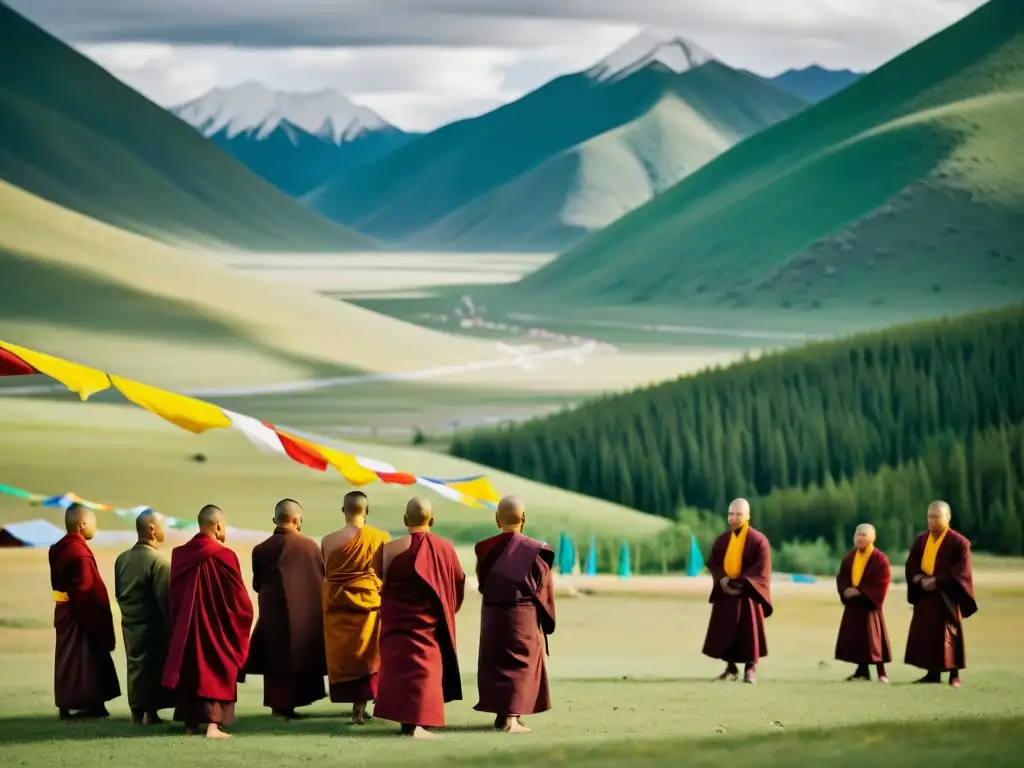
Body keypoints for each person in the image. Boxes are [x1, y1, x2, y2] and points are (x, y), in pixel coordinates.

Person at [374, 497, 466, 738]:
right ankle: (417, 725)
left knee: (399, 668)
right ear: (432, 520)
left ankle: (409, 723)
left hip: (398, 622)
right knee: (425, 668)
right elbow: (457, 582)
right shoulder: (446, 548)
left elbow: (379, 578)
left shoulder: (390, 549)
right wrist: (448, 608)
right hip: (428, 623)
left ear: (405, 520)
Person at [162, 505, 254, 738]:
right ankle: (213, 726)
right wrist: (244, 616)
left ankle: (190, 725)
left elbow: (175, 596)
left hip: (188, 629)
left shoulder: (180, 554)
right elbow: (238, 600)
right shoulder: (225, 555)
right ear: (218, 526)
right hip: (217, 627)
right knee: (216, 667)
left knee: (192, 669)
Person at [474, 496, 556, 733]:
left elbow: (483, 582)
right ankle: (511, 720)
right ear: (524, 519)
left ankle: (503, 717)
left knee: (497, 663)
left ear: (497, 519)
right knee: (520, 665)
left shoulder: (484, 547)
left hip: (492, 614)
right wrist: (545, 617)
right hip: (523, 616)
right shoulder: (536, 550)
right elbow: (543, 589)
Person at [244, 499, 327, 719]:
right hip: (305, 615)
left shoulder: (260, 549)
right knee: (301, 654)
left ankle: (278, 707)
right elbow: (321, 580)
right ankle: (294, 703)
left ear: (275, 520)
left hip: (273, 615)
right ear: (297, 519)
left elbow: (257, 584)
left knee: (275, 658)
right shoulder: (310, 546)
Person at [321, 491, 391, 725]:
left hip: (338, 605)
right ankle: (362, 707)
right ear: (367, 512)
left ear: (343, 510)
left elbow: (328, 573)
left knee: (345, 655)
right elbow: (386, 573)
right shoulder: (381, 537)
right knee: (368, 655)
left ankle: (356, 706)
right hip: (369, 605)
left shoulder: (328, 540)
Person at [48, 503, 121, 720]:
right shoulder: (79, 553)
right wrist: (99, 617)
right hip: (78, 611)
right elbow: (87, 589)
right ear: (82, 525)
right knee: (81, 657)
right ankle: (75, 705)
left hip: (63, 608)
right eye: (93, 524)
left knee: (71, 657)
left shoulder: (59, 548)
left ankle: (82, 704)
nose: (94, 529)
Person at [905, 500, 978, 688]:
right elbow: (911, 564)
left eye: (937, 516)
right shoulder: (921, 540)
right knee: (927, 634)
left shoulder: (959, 542)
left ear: (948, 517)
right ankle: (932, 673)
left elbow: (961, 571)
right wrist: (919, 579)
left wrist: (937, 580)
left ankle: (954, 675)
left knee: (949, 634)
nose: (932, 521)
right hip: (926, 595)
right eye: (929, 516)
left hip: (947, 596)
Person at [702, 498, 772, 684]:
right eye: (730, 513)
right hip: (726, 594)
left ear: (748, 516)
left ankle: (750, 669)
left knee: (749, 634)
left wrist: (740, 583)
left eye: (738, 514)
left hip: (748, 594)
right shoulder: (723, 539)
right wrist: (723, 579)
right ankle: (730, 668)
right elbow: (713, 562)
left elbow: (761, 567)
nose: (733, 517)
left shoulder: (758, 540)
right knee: (727, 631)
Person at [114, 509, 174, 724]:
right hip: (153, 627)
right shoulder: (159, 562)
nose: (163, 530)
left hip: (129, 623)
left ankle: (136, 711)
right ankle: (150, 712)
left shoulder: (122, 559)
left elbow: (119, 593)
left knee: (135, 665)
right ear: (151, 529)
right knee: (153, 666)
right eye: (161, 525)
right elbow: (165, 600)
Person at [834, 523, 892, 683]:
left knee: (875, 640)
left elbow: (882, 580)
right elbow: (842, 578)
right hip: (854, 605)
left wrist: (860, 591)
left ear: (873, 538)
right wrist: (845, 590)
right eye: (857, 534)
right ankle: (862, 671)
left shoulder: (879, 559)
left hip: (869, 605)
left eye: (864, 535)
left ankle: (882, 672)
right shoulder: (849, 558)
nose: (860, 538)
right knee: (856, 639)